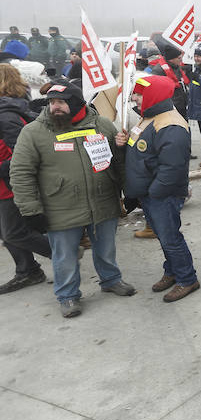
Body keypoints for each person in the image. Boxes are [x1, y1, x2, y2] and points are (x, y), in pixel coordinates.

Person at [10, 82, 133, 317]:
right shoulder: (34, 132)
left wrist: (128, 188)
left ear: (77, 103)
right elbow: (20, 172)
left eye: (61, 102)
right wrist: (30, 210)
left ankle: (111, 279)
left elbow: (117, 162)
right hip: (60, 207)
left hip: (102, 201)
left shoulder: (101, 124)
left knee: (106, 248)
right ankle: (67, 296)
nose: (55, 107)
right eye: (51, 102)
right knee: (64, 255)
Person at [122, 75, 199, 302]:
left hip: (161, 195)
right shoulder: (149, 116)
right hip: (150, 193)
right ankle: (172, 271)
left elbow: (172, 168)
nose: (135, 98)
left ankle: (187, 278)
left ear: (154, 96)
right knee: (165, 238)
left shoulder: (171, 125)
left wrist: (154, 193)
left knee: (170, 238)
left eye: (140, 94)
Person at [0, 65, 52, 293]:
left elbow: (21, 158)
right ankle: (28, 270)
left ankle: (62, 252)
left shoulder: (8, 115)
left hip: (11, 187)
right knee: (5, 233)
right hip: (4, 185)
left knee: (14, 232)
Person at [149, 43, 190, 119]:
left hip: (181, 106)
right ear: (171, 59)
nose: (181, 60)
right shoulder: (159, 70)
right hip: (168, 108)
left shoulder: (177, 67)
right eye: (179, 58)